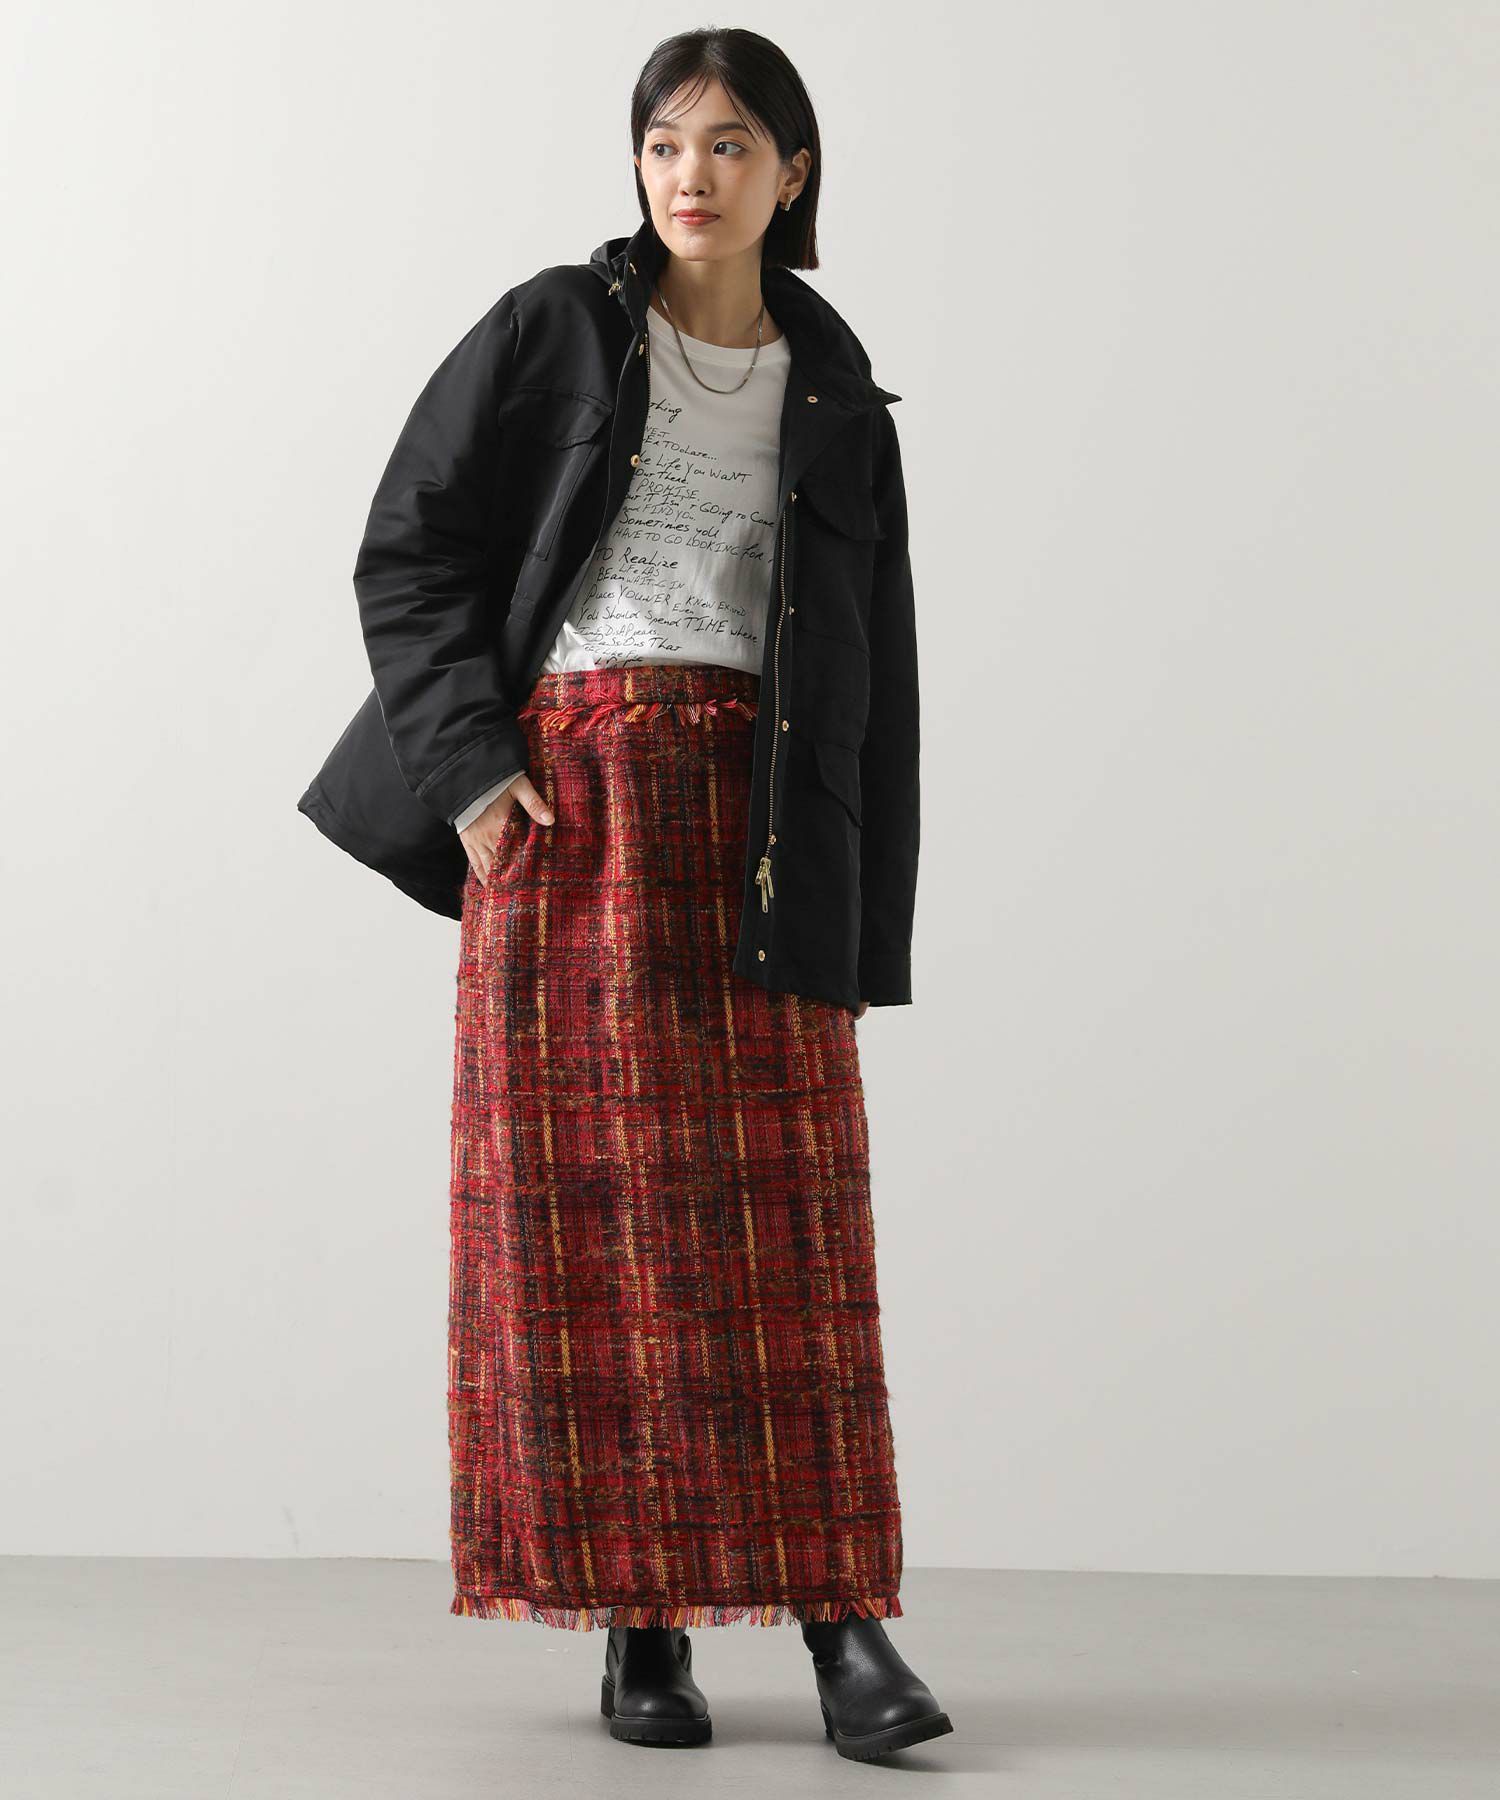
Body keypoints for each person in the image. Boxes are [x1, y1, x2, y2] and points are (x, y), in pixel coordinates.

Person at [299, 26, 943, 1765]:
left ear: (792, 172)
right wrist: (469, 770)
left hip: (765, 825)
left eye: (730, 143)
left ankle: (844, 1627)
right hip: (569, 815)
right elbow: (411, 546)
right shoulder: (556, 330)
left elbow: (876, 672)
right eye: (665, 141)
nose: (691, 173)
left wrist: (865, 913)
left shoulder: (838, 390)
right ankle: (636, 1629)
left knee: (790, 1237)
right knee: (589, 1233)